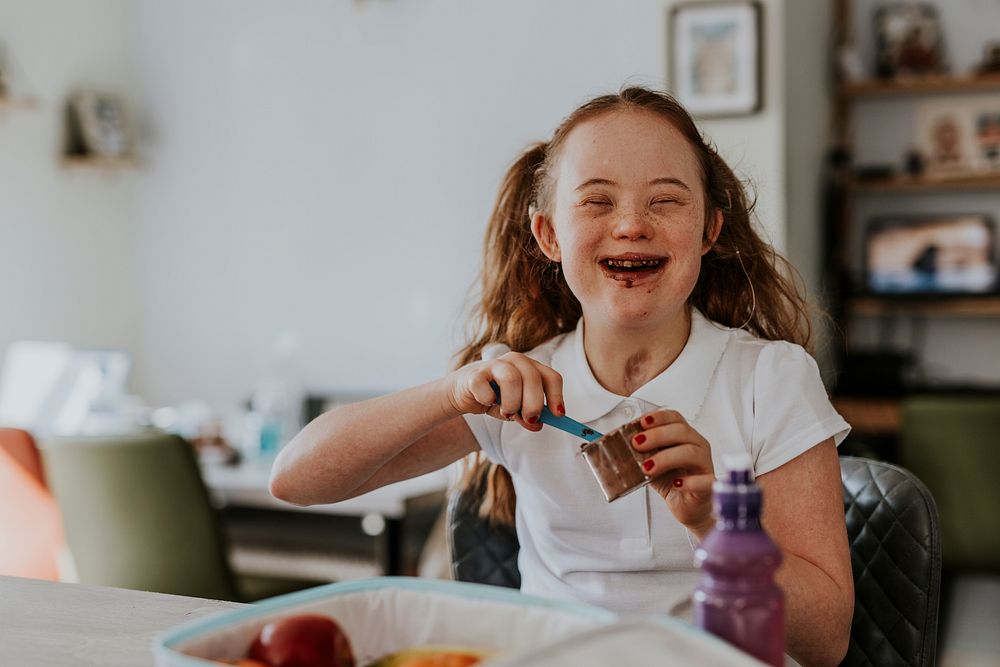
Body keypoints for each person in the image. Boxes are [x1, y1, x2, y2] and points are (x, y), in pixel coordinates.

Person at [271, 86, 854, 666]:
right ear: (549, 235)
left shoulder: (771, 380)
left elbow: (826, 642)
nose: (630, 225)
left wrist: (714, 525)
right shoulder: (517, 387)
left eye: (666, 201)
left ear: (708, 231)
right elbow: (297, 480)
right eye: (597, 202)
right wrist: (452, 392)